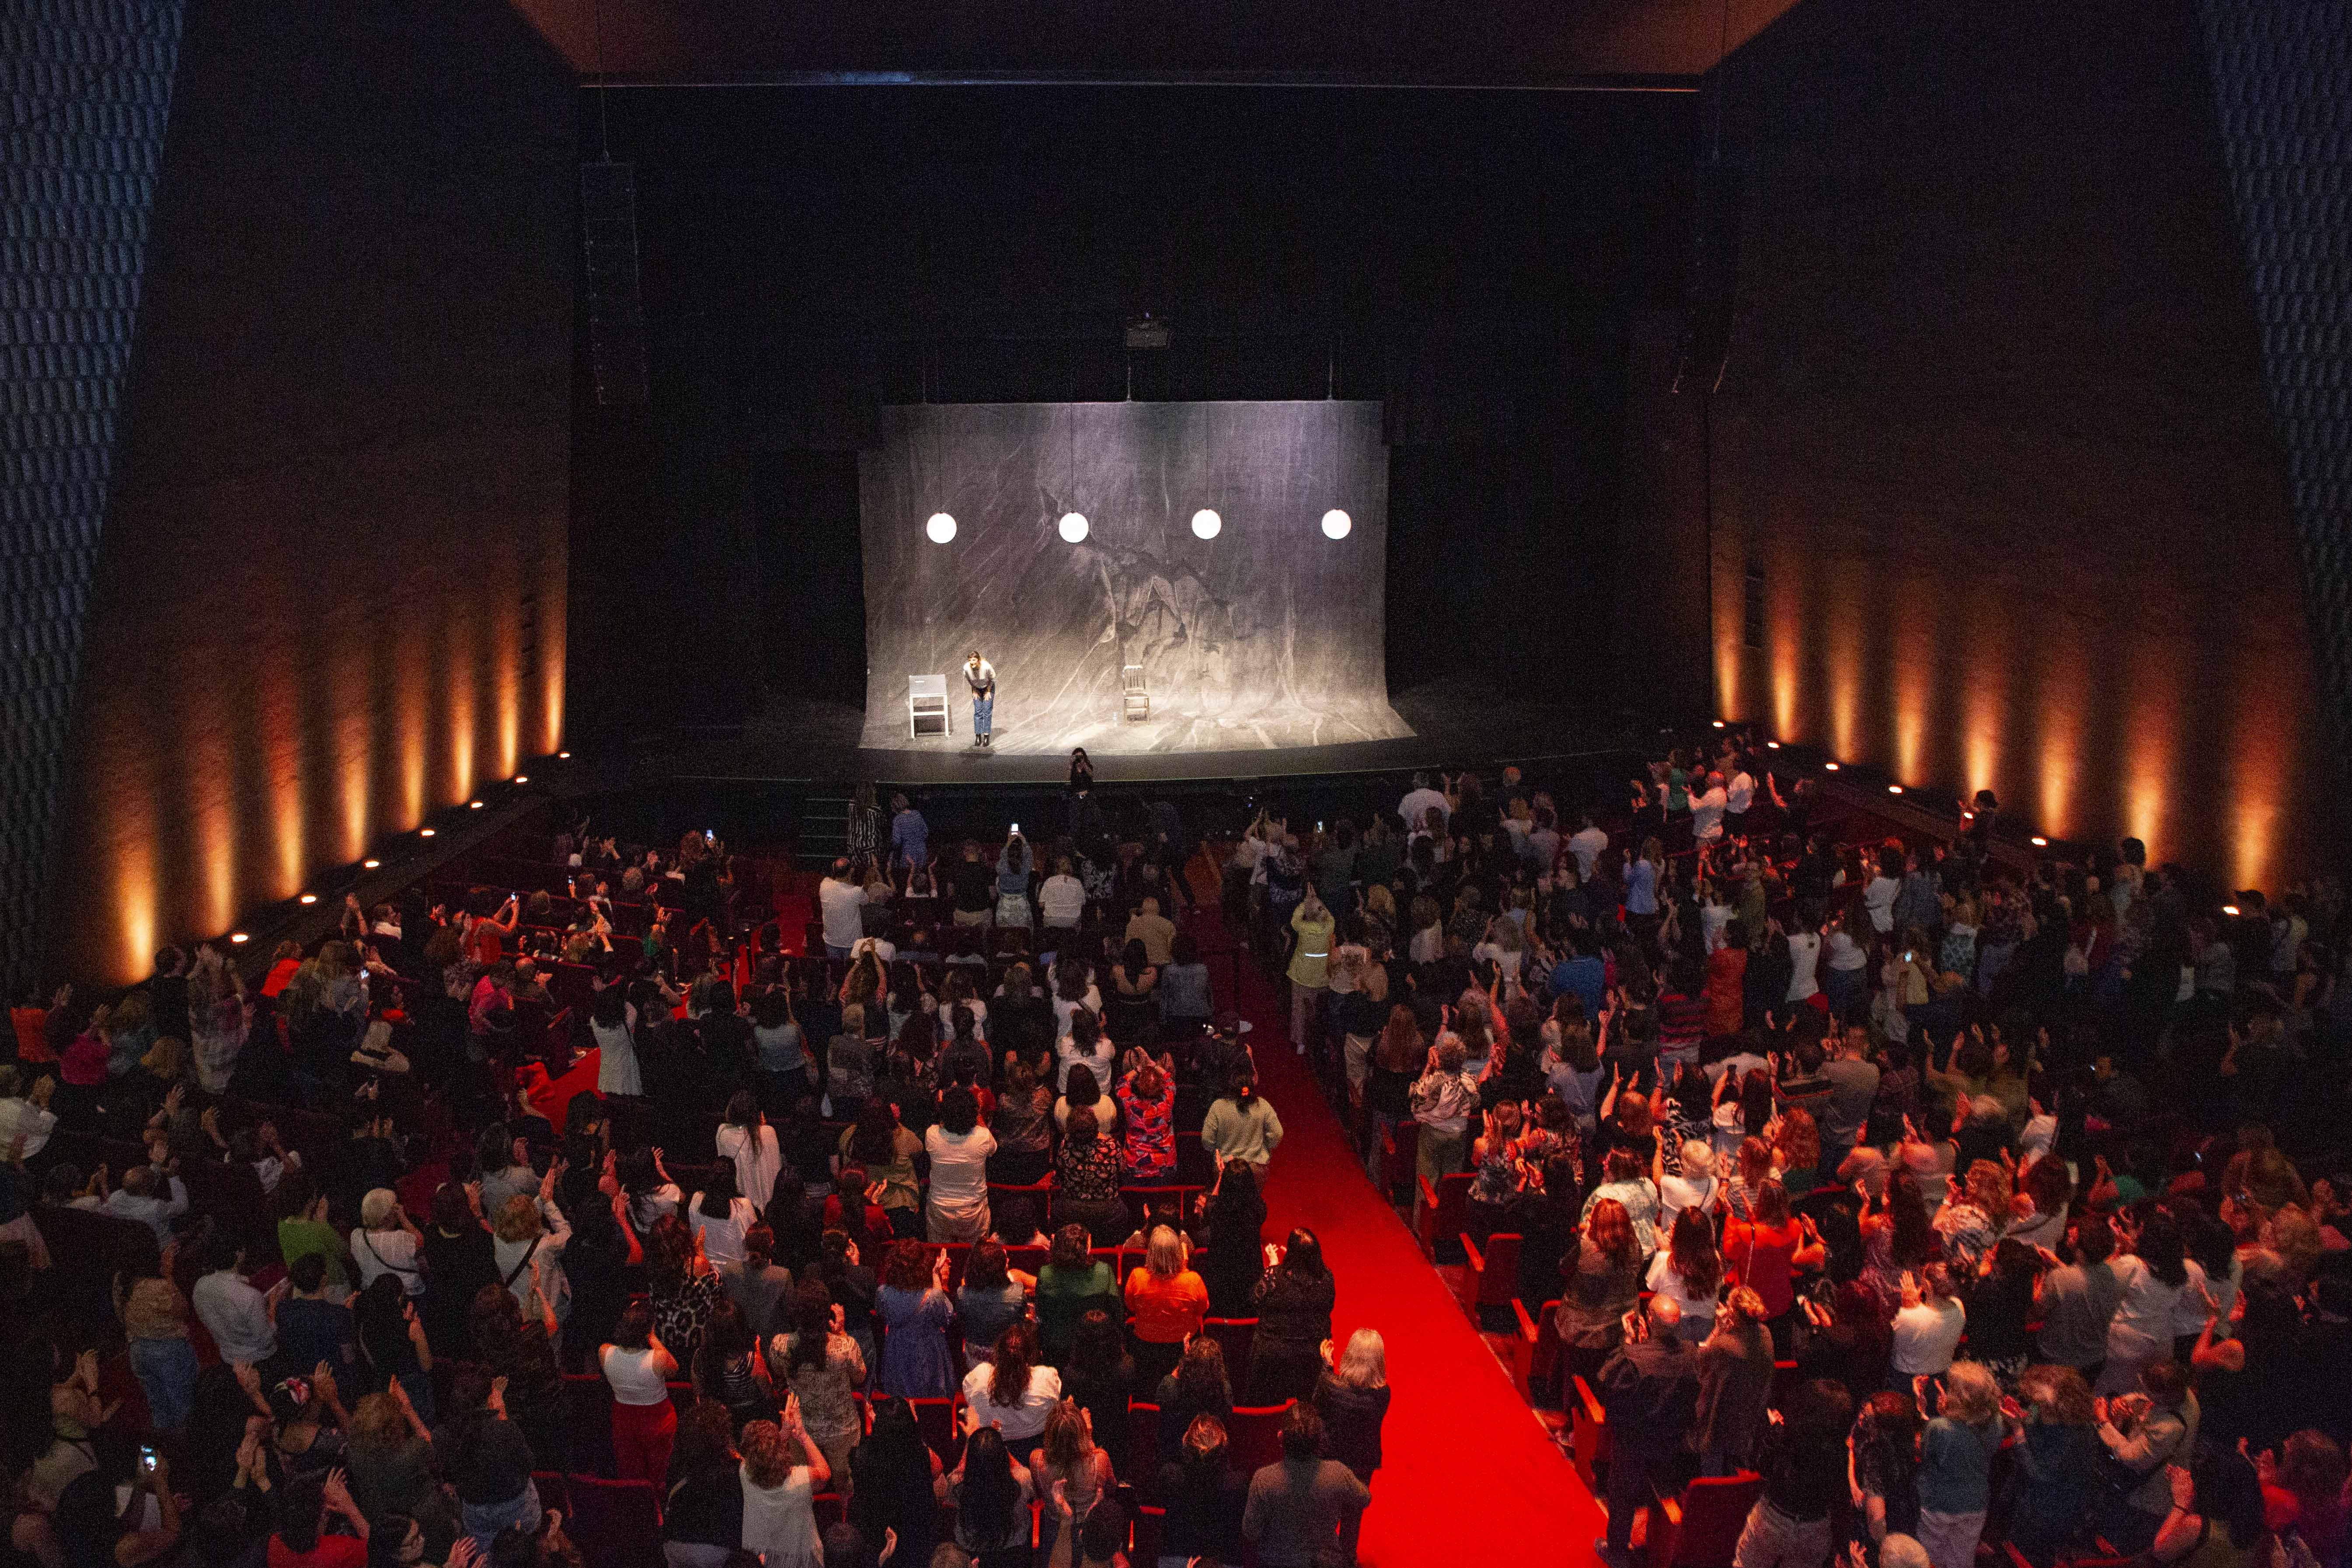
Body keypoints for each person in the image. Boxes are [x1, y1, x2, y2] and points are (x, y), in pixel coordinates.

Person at [1594, 1296, 1700, 1568]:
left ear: (1649, 1321)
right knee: (1660, 1492)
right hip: (1673, 1440)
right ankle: (1655, 1548)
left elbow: (1607, 1383)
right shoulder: (1692, 1354)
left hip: (1635, 1441)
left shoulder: (1633, 1357)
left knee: (1622, 1494)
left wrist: (1628, 1344)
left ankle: (1616, 1551)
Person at [1730, 1376, 1852, 1568]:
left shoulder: (1786, 1437)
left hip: (1775, 1518)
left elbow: (1763, 1468)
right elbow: (1838, 1494)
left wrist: (1775, 1429)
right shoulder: (1843, 1452)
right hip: (1815, 1527)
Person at [1240, 1405, 1370, 1568]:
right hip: (1324, 1561)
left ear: (1281, 1437)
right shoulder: (1338, 1473)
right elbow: (1365, 1498)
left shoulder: (1264, 1479)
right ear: (1320, 1439)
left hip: (1276, 1562)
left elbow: (1250, 1531)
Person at [1915, 1361, 2015, 1568]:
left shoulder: (1940, 1428)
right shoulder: (1996, 1422)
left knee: (1927, 1556)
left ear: (1960, 1399)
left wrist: (1921, 1411)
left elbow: (1925, 1453)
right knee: (1961, 1556)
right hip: (1976, 1503)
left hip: (1939, 1503)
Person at [432, 1366, 542, 1552]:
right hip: (516, 1507)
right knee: (523, 1553)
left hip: (476, 1512)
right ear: (488, 1399)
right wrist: (502, 1413)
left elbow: (450, 1477)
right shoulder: (502, 1430)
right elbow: (528, 1464)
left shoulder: (441, 1435)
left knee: (486, 1559)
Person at [2004, 1363, 2103, 1565]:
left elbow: (2040, 1475)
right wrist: (2021, 1417)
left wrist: (2018, 1433)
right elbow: (2033, 1423)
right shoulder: (2039, 1409)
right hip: (2031, 1500)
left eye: (2037, 1399)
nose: (2032, 1403)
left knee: (2032, 1556)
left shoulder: (2073, 1435)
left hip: (2052, 1508)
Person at [1311, 1328, 1389, 1563]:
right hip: (1362, 1466)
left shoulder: (1330, 1387)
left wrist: (1326, 1365)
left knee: (1324, 1515)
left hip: (1331, 1463)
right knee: (1353, 1517)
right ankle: (1348, 1559)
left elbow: (1319, 1407)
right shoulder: (1384, 1395)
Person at [1250, 1229, 1336, 1404]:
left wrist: (1273, 1267)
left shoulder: (1274, 1278)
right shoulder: (1327, 1279)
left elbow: (1255, 1299)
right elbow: (1329, 1306)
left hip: (1274, 1358)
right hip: (1312, 1357)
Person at [738, 1407, 830, 1568]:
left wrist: (785, 1431)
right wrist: (803, 1436)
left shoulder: (744, 1473)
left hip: (761, 1560)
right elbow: (825, 1474)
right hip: (800, 1561)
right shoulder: (800, 1480)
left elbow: (763, 1455)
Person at [598, 1302, 678, 1485]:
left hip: (624, 1420)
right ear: (648, 1330)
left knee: (631, 1476)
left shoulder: (604, 1352)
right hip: (659, 1420)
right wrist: (653, 1337)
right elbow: (675, 1369)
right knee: (660, 1474)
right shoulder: (658, 1358)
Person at [1157, 1415, 1248, 1568]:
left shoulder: (1169, 1476)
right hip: (1223, 1560)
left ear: (1187, 1442)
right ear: (1224, 1446)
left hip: (1178, 1556)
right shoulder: (1239, 1484)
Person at [939, 1422, 1033, 1567]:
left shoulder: (957, 1484)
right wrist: (996, 1445)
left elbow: (961, 1469)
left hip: (971, 1548)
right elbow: (1019, 1469)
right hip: (1013, 1546)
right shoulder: (1022, 1480)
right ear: (1002, 1456)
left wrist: (970, 1441)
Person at [1124, 1227, 1209, 1383]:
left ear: (1151, 1253)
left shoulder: (1137, 1276)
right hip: (1183, 1348)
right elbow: (1202, 1309)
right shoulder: (1193, 1280)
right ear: (1178, 1252)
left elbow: (1130, 1307)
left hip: (1145, 1348)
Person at [874, 1240, 957, 1398]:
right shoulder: (933, 1296)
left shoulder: (883, 1293)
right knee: (931, 1404)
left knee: (899, 1401)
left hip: (897, 1351)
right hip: (928, 1353)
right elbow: (946, 1318)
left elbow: (881, 1315)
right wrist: (936, 1275)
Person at [962, 1321, 1062, 1442]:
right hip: (1033, 1453)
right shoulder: (1047, 1378)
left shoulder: (979, 1377)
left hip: (991, 1455)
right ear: (1030, 1356)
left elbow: (969, 1399)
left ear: (997, 1353)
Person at [924, 1087, 996, 1243]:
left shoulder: (931, 1135)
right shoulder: (983, 1136)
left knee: (939, 1256)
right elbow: (993, 1150)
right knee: (976, 1257)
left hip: (939, 1210)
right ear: (974, 1113)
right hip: (974, 1212)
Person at [965, 651, 997, 749]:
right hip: (976, 688)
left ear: (978, 660)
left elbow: (993, 679)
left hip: (988, 688)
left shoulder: (986, 667)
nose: (972, 662)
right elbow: (969, 680)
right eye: (970, 660)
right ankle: (978, 736)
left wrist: (988, 691)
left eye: (974, 660)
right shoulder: (967, 668)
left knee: (987, 711)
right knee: (978, 711)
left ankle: (986, 736)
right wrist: (974, 689)